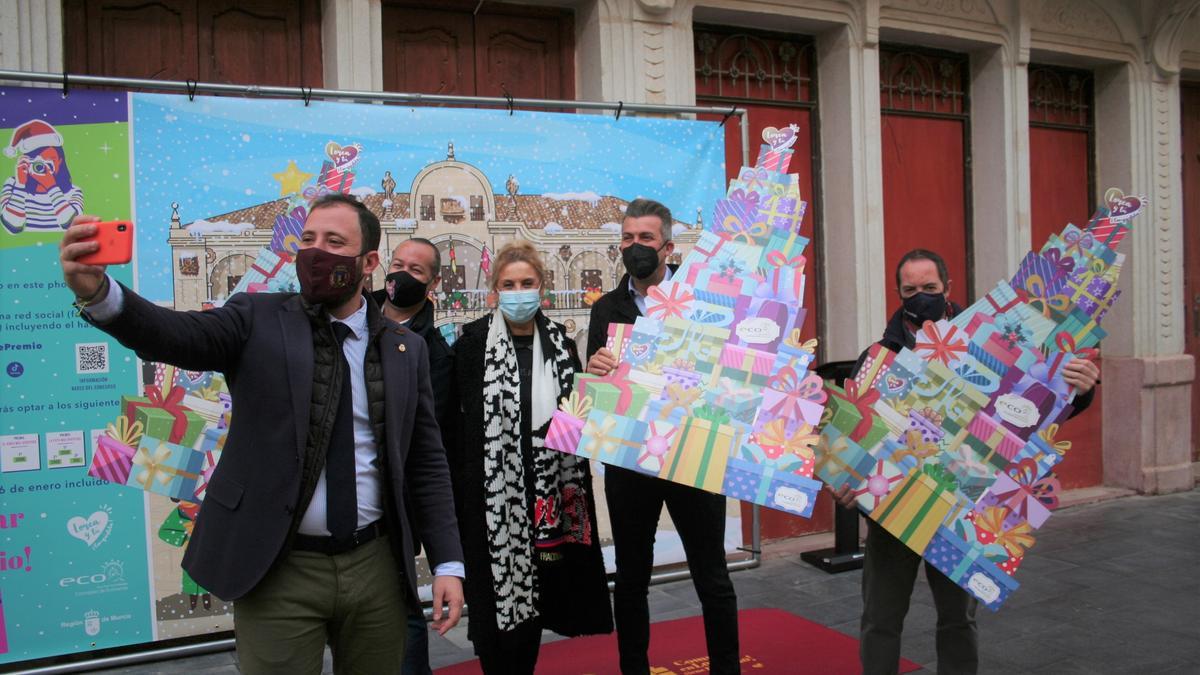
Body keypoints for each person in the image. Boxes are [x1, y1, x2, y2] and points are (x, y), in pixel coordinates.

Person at [59, 193, 465, 674]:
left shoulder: (405, 349)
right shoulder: (257, 318)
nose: (317, 253)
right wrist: (102, 296)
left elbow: (425, 462)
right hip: (279, 568)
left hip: (374, 566)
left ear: (369, 262)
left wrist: (448, 564)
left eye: (335, 242)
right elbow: (177, 334)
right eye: (309, 239)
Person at [832, 249, 1100, 675]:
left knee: (958, 619)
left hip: (961, 508)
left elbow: (1033, 405)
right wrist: (845, 477)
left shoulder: (989, 345)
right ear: (899, 294)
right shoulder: (878, 357)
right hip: (891, 508)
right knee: (880, 619)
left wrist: (1081, 390)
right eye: (911, 290)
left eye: (930, 288)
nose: (921, 297)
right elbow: (854, 432)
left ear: (949, 288)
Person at [585, 198, 741, 675]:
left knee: (711, 575)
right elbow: (596, 386)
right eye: (628, 238)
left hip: (693, 455)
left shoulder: (702, 302)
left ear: (668, 246)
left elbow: (726, 372)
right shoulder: (607, 308)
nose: (636, 247)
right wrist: (594, 370)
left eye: (646, 239)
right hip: (631, 458)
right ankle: (634, 668)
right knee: (631, 578)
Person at [451, 241, 612, 673]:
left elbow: (577, 423)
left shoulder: (561, 343)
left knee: (537, 608)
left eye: (526, 283)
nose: (518, 291)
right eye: (508, 284)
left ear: (542, 288)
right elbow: (455, 427)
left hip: (551, 501)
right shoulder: (471, 344)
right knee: (494, 619)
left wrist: (594, 385)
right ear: (494, 291)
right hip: (492, 505)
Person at [371, 238, 454, 675]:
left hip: (391, 503)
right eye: (397, 264)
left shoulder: (434, 353)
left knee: (402, 610)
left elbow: (425, 442)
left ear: (433, 283)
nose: (402, 275)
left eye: (416, 271)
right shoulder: (350, 316)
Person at [1, 119, 84, 233]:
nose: (42, 166)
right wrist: (20, 185)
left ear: (60, 161)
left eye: (50, 160)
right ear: (26, 161)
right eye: (36, 161)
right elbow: (13, 226)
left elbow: (70, 223)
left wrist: (51, 186)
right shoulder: (12, 185)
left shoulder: (73, 192)